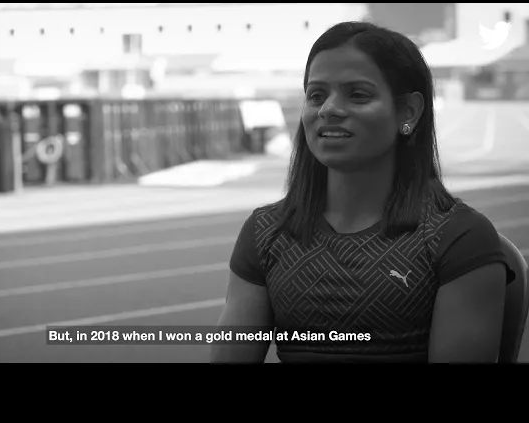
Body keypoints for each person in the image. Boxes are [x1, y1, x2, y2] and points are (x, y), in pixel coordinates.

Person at [210, 21, 516, 364]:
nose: (328, 109)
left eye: (358, 95)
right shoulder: (265, 232)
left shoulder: (458, 238)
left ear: (408, 112)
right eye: (316, 95)